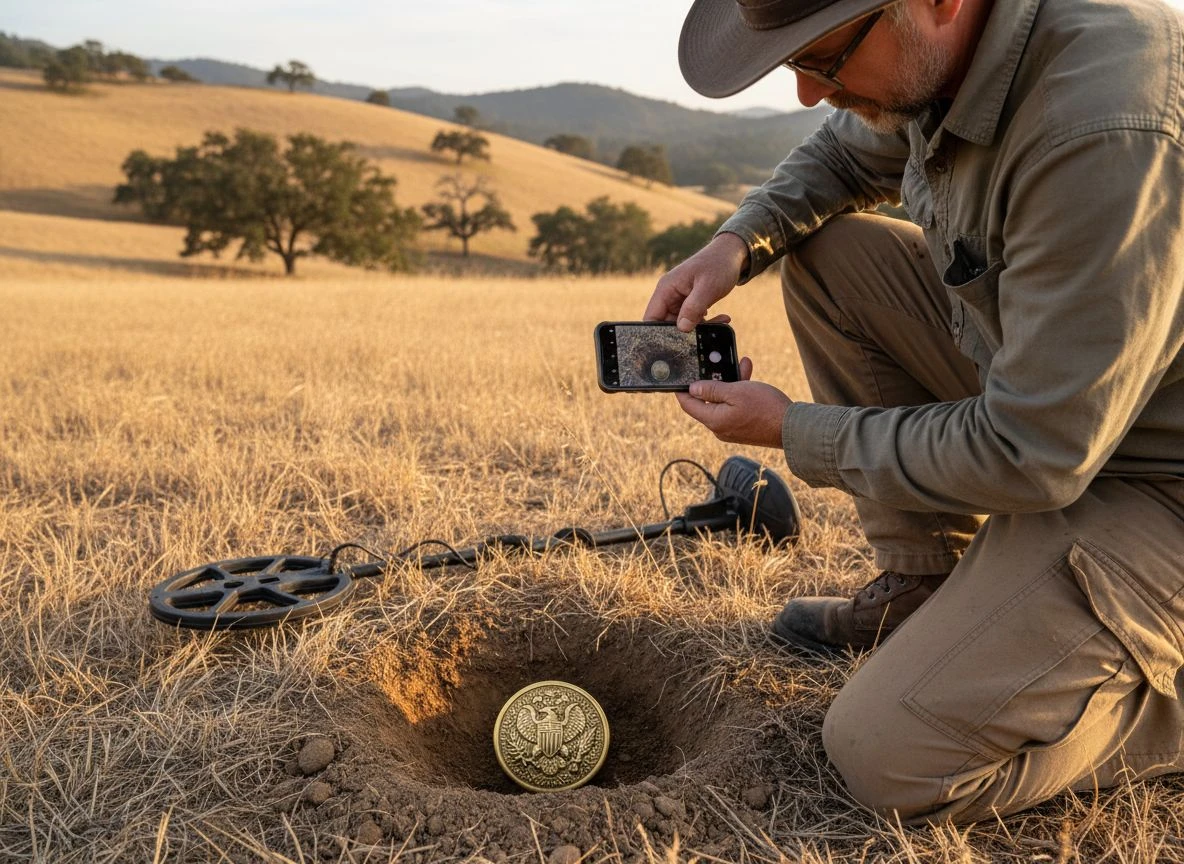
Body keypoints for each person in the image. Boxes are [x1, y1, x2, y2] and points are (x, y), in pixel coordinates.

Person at [645, 0, 1184, 823]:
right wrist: (735, 244)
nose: (804, 94)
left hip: (1153, 481)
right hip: (1073, 409)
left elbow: (1033, 451)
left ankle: (1160, 697)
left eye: (824, 60)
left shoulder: (1101, 129)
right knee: (828, 256)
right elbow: (839, 154)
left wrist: (790, 429)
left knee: (888, 758)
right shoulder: (952, 55)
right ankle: (928, 586)